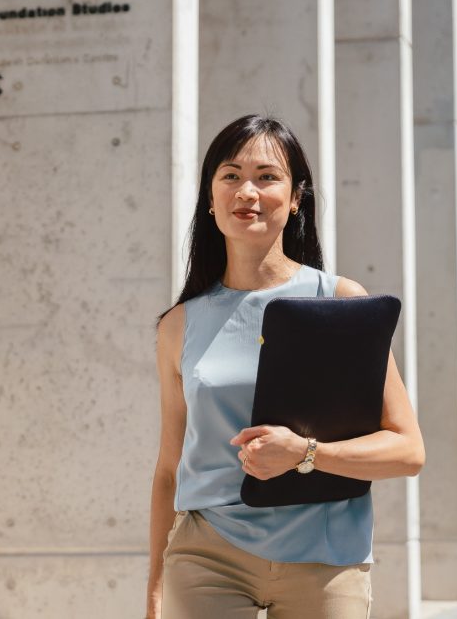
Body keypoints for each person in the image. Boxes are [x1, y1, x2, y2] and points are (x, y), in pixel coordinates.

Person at [146, 114, 425, 619]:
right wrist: (156, 585)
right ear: (210, 199)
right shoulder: (178, 325)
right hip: (206, 554)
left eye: (266, 176)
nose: (246, 191)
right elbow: (169, 469)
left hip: (325, 557)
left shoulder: (340, 300)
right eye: (229, 176)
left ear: (296, 197)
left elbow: (408, 450)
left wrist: (306, 454)